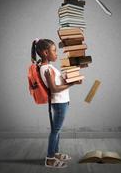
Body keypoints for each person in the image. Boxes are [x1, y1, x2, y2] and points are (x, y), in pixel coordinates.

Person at [31, 38, 82, 168]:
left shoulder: (48, 67)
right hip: (59, 102)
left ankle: (56, 152)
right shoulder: (46, 69)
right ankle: (50, 158)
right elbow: (53, 89)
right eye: (54, 51)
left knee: (57, 130)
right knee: (55, 130)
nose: (56, 53)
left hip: (62, 101)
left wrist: (70, 78)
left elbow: (57, 83)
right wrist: (72, 83)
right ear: (45, 53)